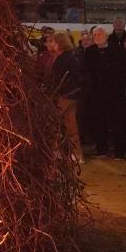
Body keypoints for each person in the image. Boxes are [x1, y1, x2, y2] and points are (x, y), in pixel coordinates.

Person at [82, 26, 126, 159]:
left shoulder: (118, 50)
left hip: (115, 93)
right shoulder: (90, 52)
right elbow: (85, 72)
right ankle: (101, 150)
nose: (97, 36)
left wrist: (117, 85)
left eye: (99, 34)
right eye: (95, 34)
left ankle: (119, 152)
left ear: (106, 35)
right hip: (96, 94)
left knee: (117, 123)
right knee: (99, 123)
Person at [47, 31, 83, 163]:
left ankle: (58, 152)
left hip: (65, 95)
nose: (50, 44)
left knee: (54, 123)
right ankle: (76, 154)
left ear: (59, 43)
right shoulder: (68, 56)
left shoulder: (64, 58)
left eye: (53, 42)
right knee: (70, 124)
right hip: (70, 94)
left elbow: (61, 78)